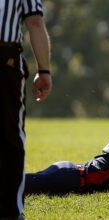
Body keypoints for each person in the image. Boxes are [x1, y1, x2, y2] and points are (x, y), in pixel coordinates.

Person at [0, 0, 52, 218]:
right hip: (5, 60)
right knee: (10, 137)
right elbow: (35, 22)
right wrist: (44, 70)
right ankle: (11, 211)